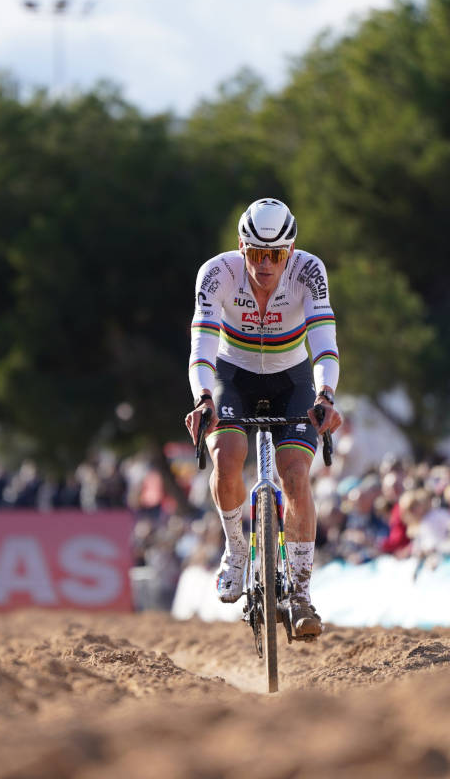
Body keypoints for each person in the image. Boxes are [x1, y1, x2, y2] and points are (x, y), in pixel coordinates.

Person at [184, 198, 342, 638]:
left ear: (290, 251)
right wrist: (202, 398)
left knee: (295, 476)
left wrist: (326, 395)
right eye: (256, 254)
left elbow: (324, 343)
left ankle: (302, 593)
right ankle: (236, 550)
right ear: (242, 247)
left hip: (291, 381)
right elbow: (202, 346)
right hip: (233, 376)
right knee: (227, 454)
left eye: (276, 255)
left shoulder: (309, 271)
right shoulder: (217, 273)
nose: (266, 265)